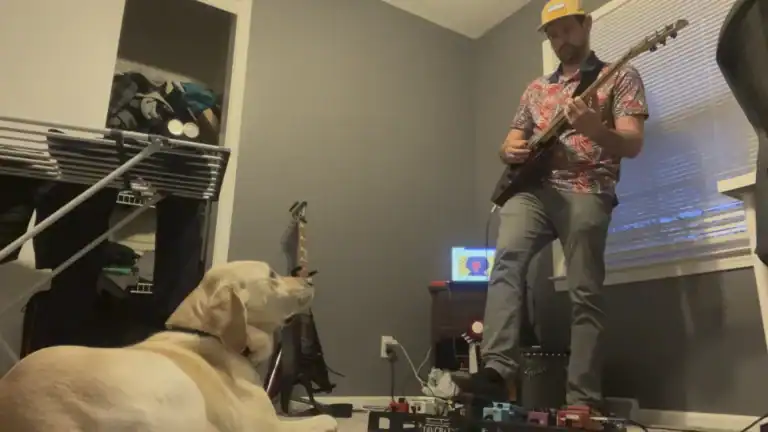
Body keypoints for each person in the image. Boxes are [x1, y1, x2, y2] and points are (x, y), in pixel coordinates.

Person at [453, 0, 649, 416]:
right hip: (534, 190)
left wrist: (595, 129)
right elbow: (508, 143)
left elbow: (632, 142)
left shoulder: (620, 75)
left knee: (585, 291)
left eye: (567, 29)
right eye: (553, 34)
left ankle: (581, 401)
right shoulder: (536, 89)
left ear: (586, 23)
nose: (561, 40)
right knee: (506, 260)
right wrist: (508, 149)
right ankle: (497, 370)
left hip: (588, 188)